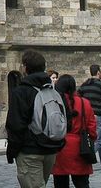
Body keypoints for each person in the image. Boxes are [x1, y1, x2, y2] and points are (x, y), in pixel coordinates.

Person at [5, 49, 61, 188]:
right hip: (50, 150)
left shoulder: (21, 92)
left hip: (30, 151)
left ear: (26, 67)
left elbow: (15, 125)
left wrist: (12, 151)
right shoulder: (52, 91)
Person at [52, 74, 97, 188]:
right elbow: (92, 127)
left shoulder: (55, 104)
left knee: (60, 184)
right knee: (82, 184)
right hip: (80, 148)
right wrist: (92, 138)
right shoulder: (84, 103)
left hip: (60, 147)